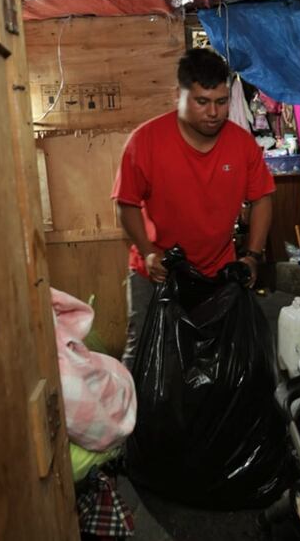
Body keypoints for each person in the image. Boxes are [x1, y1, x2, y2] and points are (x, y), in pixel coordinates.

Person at [111, 48, 275, 367]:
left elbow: (263, 198)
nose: (213, 112)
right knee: (145, 356)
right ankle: (138, 419)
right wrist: (146, 251)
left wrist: (252, 256)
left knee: (215, 361)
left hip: (216, 273)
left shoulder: (241, 145)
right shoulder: (144, 142)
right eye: (202, 101)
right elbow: (126, 203)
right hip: (155, 273)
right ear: (179, 96)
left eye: (221, 101)